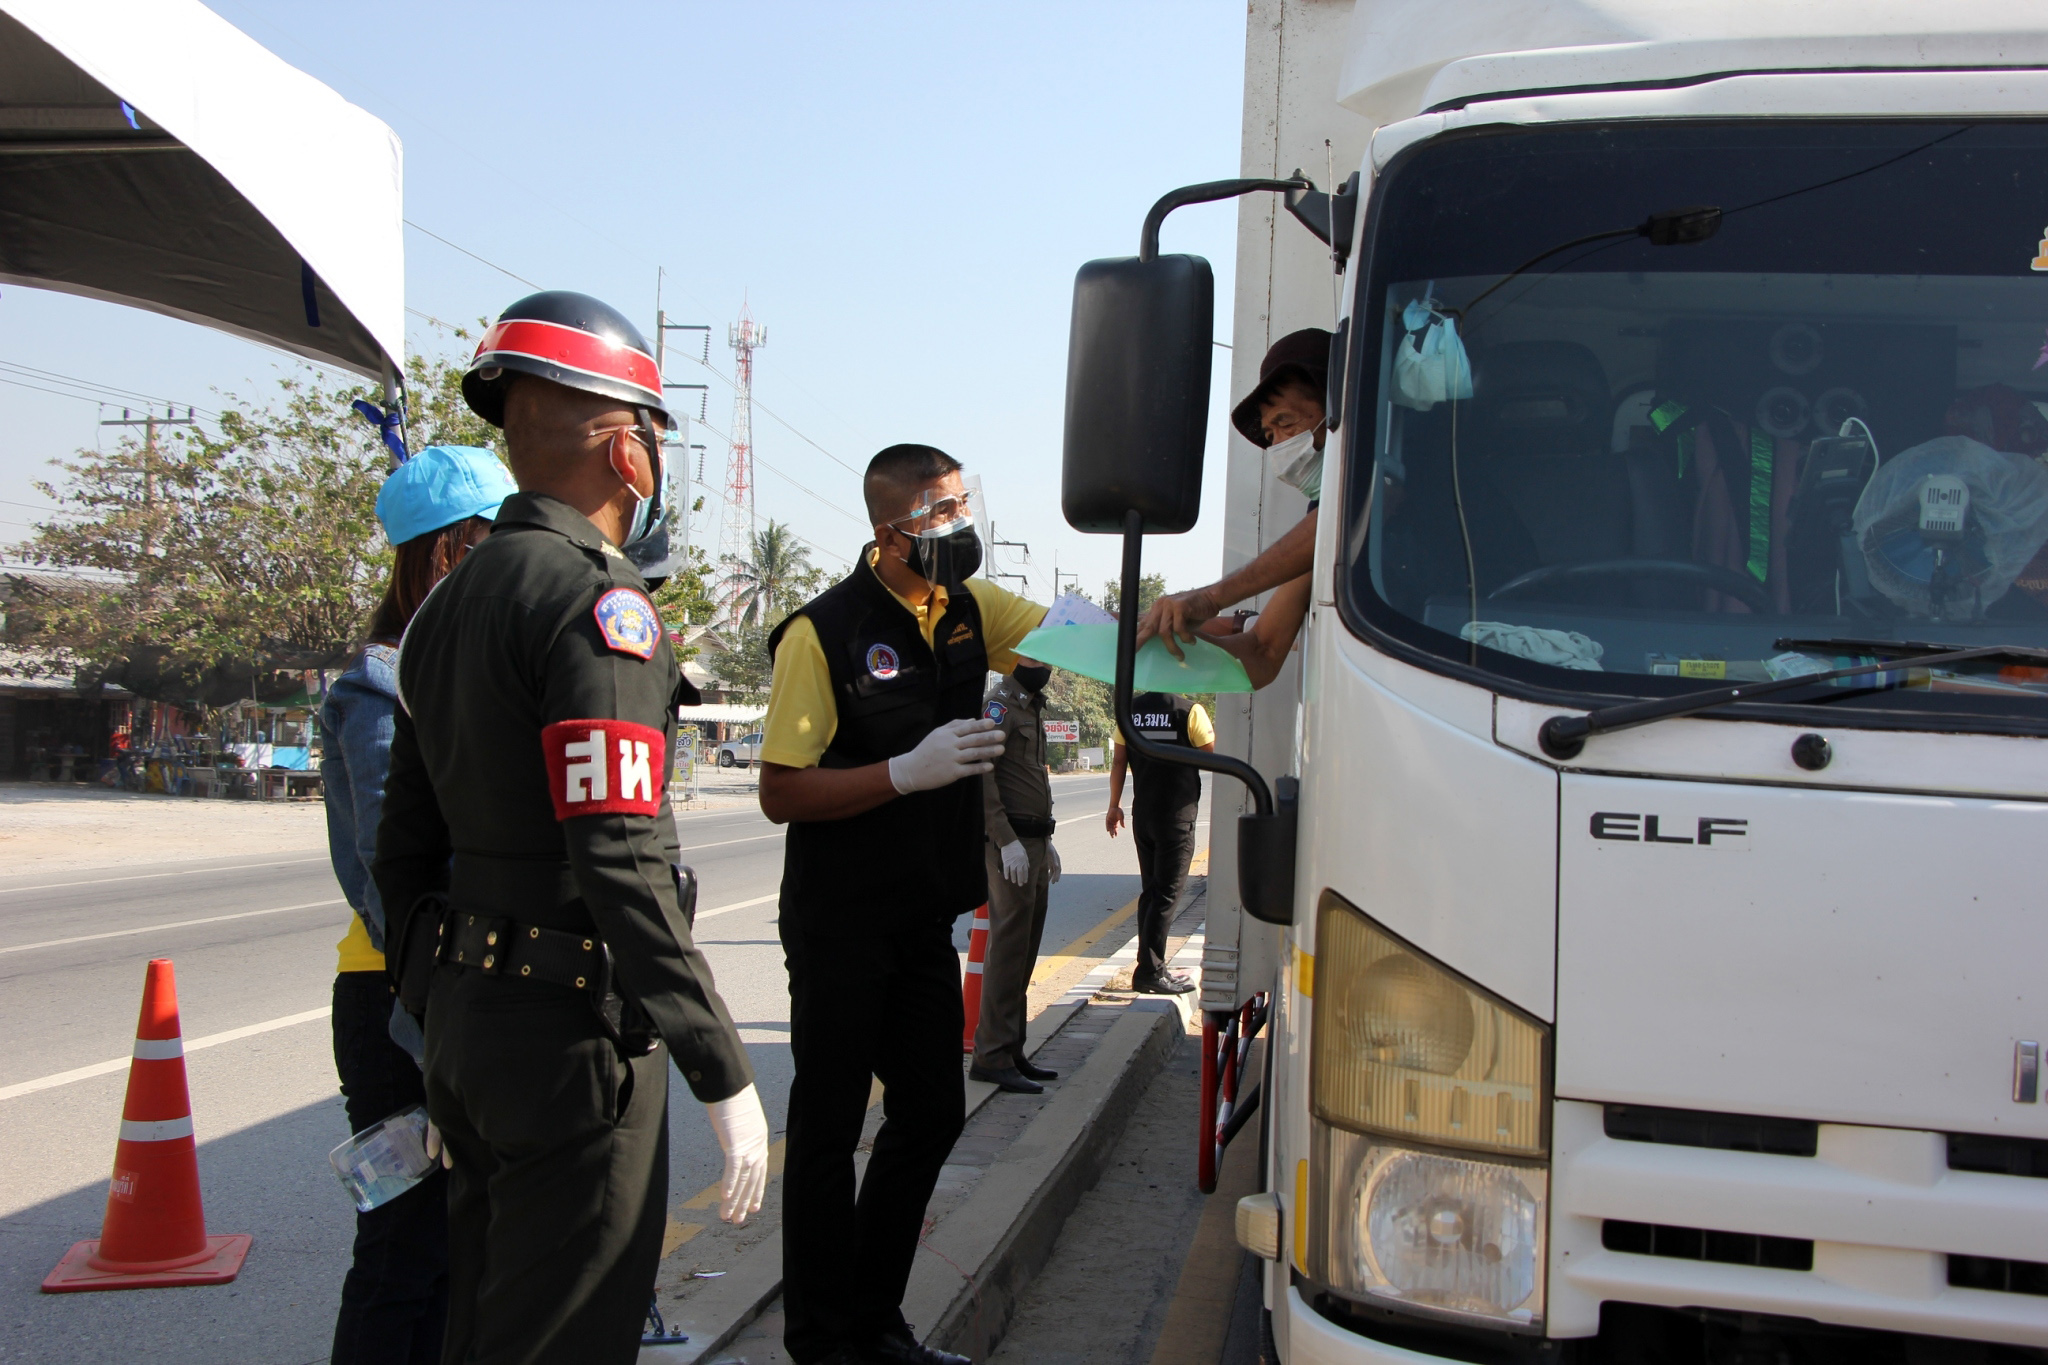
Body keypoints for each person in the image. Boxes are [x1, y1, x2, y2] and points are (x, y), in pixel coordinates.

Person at [372, 291, 769, 1365]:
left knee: (486, 1326)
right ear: (625, 447)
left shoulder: (446, 607)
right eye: (654, 437)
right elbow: (620, 856)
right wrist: (719, 1064)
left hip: (469, 1026)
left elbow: (400, 851)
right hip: (573, 1042)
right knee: (565, 1338)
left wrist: (440, 1014)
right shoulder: (601, 606)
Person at [758, 443, 1045, 1365]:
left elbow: (1080, 641)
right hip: (839, 918)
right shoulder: (824, 632)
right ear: (889, 533)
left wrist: (1189, 624)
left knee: (931, 1111)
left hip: (921, 915)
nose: (960, 525)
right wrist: (901, 772)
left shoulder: (971, 609)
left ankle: (875, 1320)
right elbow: (780, 790)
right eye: (939, 513)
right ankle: (821, 1341)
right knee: (829, 1127)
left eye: (964, 504)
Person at [321, 444, 515, 1364]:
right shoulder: (379, 687)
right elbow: (387, 874)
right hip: (401, 999)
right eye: (496, 544)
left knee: (461, 1252)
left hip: (462, 990)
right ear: (446, 554)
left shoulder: (462, 673)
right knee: (404, 1250)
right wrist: (435, 1030)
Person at [1139, 327, 1331, 659]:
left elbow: (1338, 521)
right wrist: (1144, 634)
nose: (1279, 446)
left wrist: (1210, 597)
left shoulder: (1397, 478)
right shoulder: (1315, 523)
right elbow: (1263, 651)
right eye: (1270, 436)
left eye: (1286, 422)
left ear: (1339, 407)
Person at [969, 657, 1061, 1095]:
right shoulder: (1000, 705)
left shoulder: (1032, 707)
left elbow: (1031, 777)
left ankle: (1011, 1048)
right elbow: (981, 774)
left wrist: (1047, 840)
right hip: (1011, 844)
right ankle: (991, 1056)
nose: (1047, 667)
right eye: (1039, 657)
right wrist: (1005, 839)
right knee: (1007, 951)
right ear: (1017, 658)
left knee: (1024, 950)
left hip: (1034, 842)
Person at [1105, 690, 1215, 994]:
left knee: (1152, 892)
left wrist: (1114, 805)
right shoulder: (1190, 711)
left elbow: (1118, 762)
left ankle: (1150, 966)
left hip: (1144, 816)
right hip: (1176, 817)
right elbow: (1213, 757)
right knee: (1165, 895)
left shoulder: (1129, 710)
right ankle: (1150, 972)